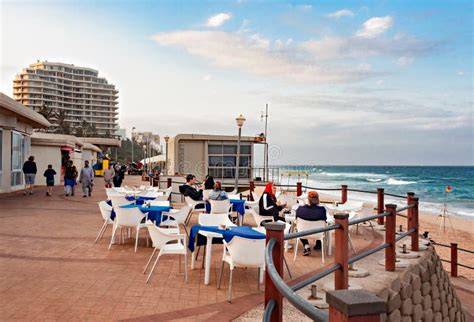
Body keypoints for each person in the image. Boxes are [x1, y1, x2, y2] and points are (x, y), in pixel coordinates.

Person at [296, 191, 327, 256]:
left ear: (308, 200)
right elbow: (325, 220)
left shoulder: (300, 209)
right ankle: (318, 244)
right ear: (317, 199)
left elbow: (296, 219)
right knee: (322, 225)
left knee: (299, 227)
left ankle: (306, 245)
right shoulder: (322, 210)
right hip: (318, 234)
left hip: (303, 234)